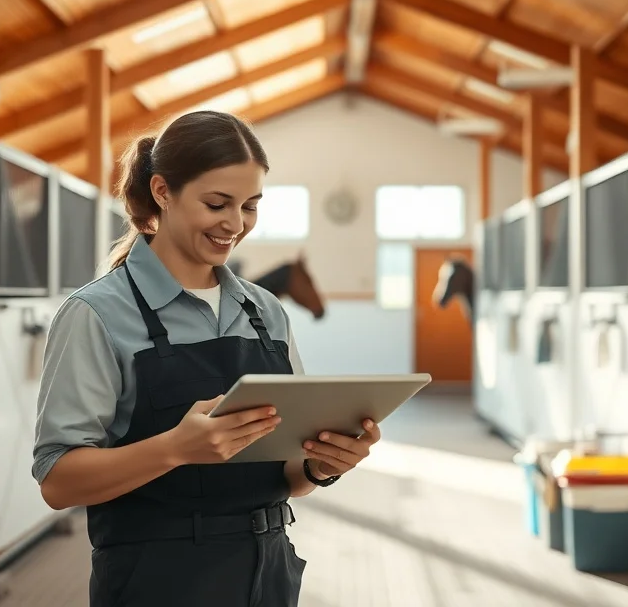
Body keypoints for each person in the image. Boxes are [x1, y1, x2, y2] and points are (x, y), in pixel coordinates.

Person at [31, 110, 381, 606]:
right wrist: (175, 448)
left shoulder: (266, 312)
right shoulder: (96, 314)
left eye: (250, 206)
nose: (235, 224)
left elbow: (287, 474)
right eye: (217, 203)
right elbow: (58, 481)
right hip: (157, 584)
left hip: (269, 575)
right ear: (162, 191)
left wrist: (322, 465)